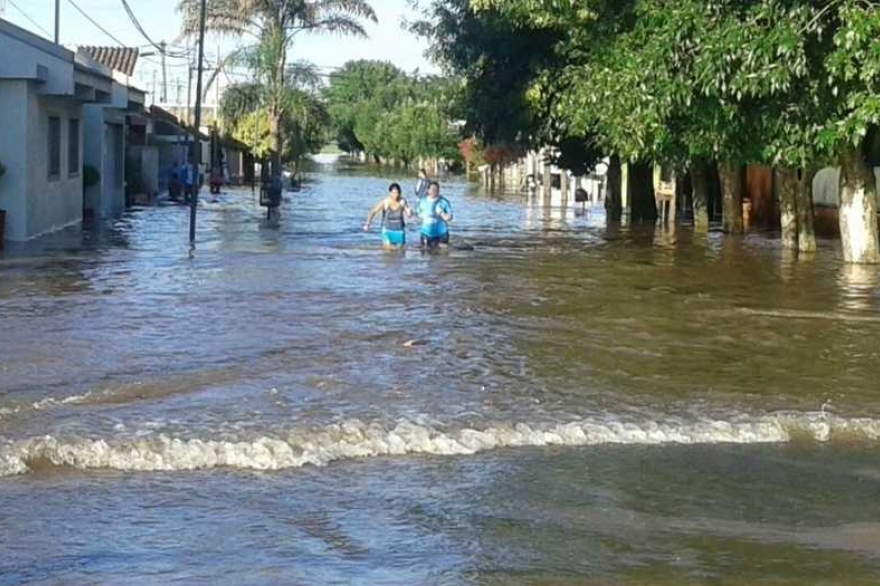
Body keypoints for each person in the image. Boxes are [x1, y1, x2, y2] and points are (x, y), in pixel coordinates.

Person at [363, 183, 412, 248]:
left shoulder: (402, 201)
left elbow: (409, 215)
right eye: (393, 193)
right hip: (387, 231)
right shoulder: (386, 202)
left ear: (400, 193)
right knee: (387, 253)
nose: (395, 195)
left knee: (400, 253)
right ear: (390, 193)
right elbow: (373, 211)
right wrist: (367, 224)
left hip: (399, 231)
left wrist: (410, 213)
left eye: (397, 193)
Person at [417, 181, 453, 249]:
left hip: (442, 233)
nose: (435, 191)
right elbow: (418, 214)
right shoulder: (422, 201)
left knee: (442, 256)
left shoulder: (444, 202)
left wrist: (443, 214)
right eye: (433, 189)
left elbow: (450, 217)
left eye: (437, 190)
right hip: (426, 233)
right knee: (425, 255)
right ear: (428, 190)